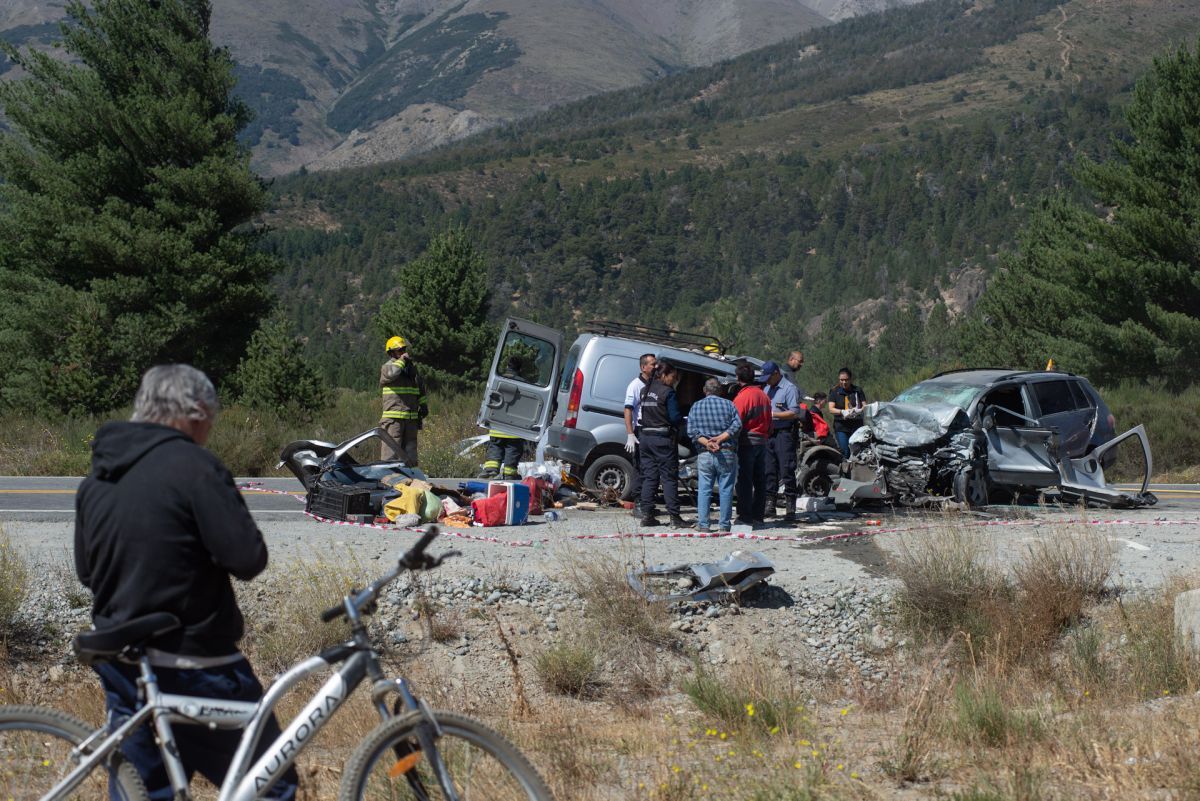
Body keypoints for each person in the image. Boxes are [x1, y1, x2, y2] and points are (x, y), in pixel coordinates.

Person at [75, 364, 298, 801]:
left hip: (123, 663)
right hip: (194, 660)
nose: (208, 432)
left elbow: (88, 572)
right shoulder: (195, 467)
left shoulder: (97, 478)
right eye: (210, 422)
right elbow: (248, 558)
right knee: (269, 783)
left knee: (143, 790)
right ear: (195, 413)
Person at [637, 362, 688, 528]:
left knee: (649, 477)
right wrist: (682, 422)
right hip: (662, 440)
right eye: (673, 377)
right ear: (664, 375)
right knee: (668, 478)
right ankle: (675, 517)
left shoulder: (644, 391)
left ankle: (647, 516)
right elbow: (674, 418)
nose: (674, 381)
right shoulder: (668, 392)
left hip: (645, 438)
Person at [687, 377, 742, 533]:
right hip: (726, 451)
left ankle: (704, 524)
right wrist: (721, 438)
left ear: (705, 390)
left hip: (705, 452)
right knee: (726, 489)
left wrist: (708, 443)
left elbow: (691, 431)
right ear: (721, 391)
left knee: (704, 489)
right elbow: (737, 425)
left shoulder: (696, 406)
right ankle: (724, 525)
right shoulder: (729, 405)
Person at [758, 360, 802, 523]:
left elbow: (794, 412)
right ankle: (770, 504)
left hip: (784, 433)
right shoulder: (767, 388)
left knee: (786, 469)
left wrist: (773, 415)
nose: (767, 381)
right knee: (769, 470)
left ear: (777, 373)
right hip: (769, 433)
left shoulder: (789, 388)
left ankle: (790, 506)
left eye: (769, 377)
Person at [732, 363, 771, 526]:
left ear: (737, 378)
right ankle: (758, 515)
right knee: (760, 479)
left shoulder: (742, 397)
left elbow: (736, 422)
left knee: (745, 480)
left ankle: (745, 516)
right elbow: (769, 420)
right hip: (762, 441)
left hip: (747, 442)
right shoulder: (763, 395)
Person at [380, 335, 428, 464]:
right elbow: (392, 375)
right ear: (391, 352)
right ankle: (387, 477)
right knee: (391, 451)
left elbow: (420, 388)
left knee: (411, 452)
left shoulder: (411, 370)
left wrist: (423, 406)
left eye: (404, 350)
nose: (403, 353)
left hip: (411, 419)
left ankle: (411, 478)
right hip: (394, 420)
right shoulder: (387, 367)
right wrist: (402, 361)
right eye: (399, 350)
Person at [623, 353, 657, 514]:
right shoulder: (635, 385)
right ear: (643, 367)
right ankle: (638, 504)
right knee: (641, 467)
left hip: (652, 430)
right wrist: (630, 433)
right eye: (652, 364)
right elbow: (628, 409)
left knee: (651, 469)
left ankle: (647, 504)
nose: (655, 367)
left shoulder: (655, 384)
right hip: (640, 430)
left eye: (656, 364)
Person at [828, 367, 867, 459]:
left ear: (850, 379)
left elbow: (865, 405)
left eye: (846, 380)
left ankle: (857, 471)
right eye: (841, 380)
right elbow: (831, 409)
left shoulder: (858, 390)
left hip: (856, 425)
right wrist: (842, 411)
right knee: (845, 451)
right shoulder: (834, 391)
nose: (844, 382)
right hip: (841, 426)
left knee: (857, 451)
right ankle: (845, 472)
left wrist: (859, 411)